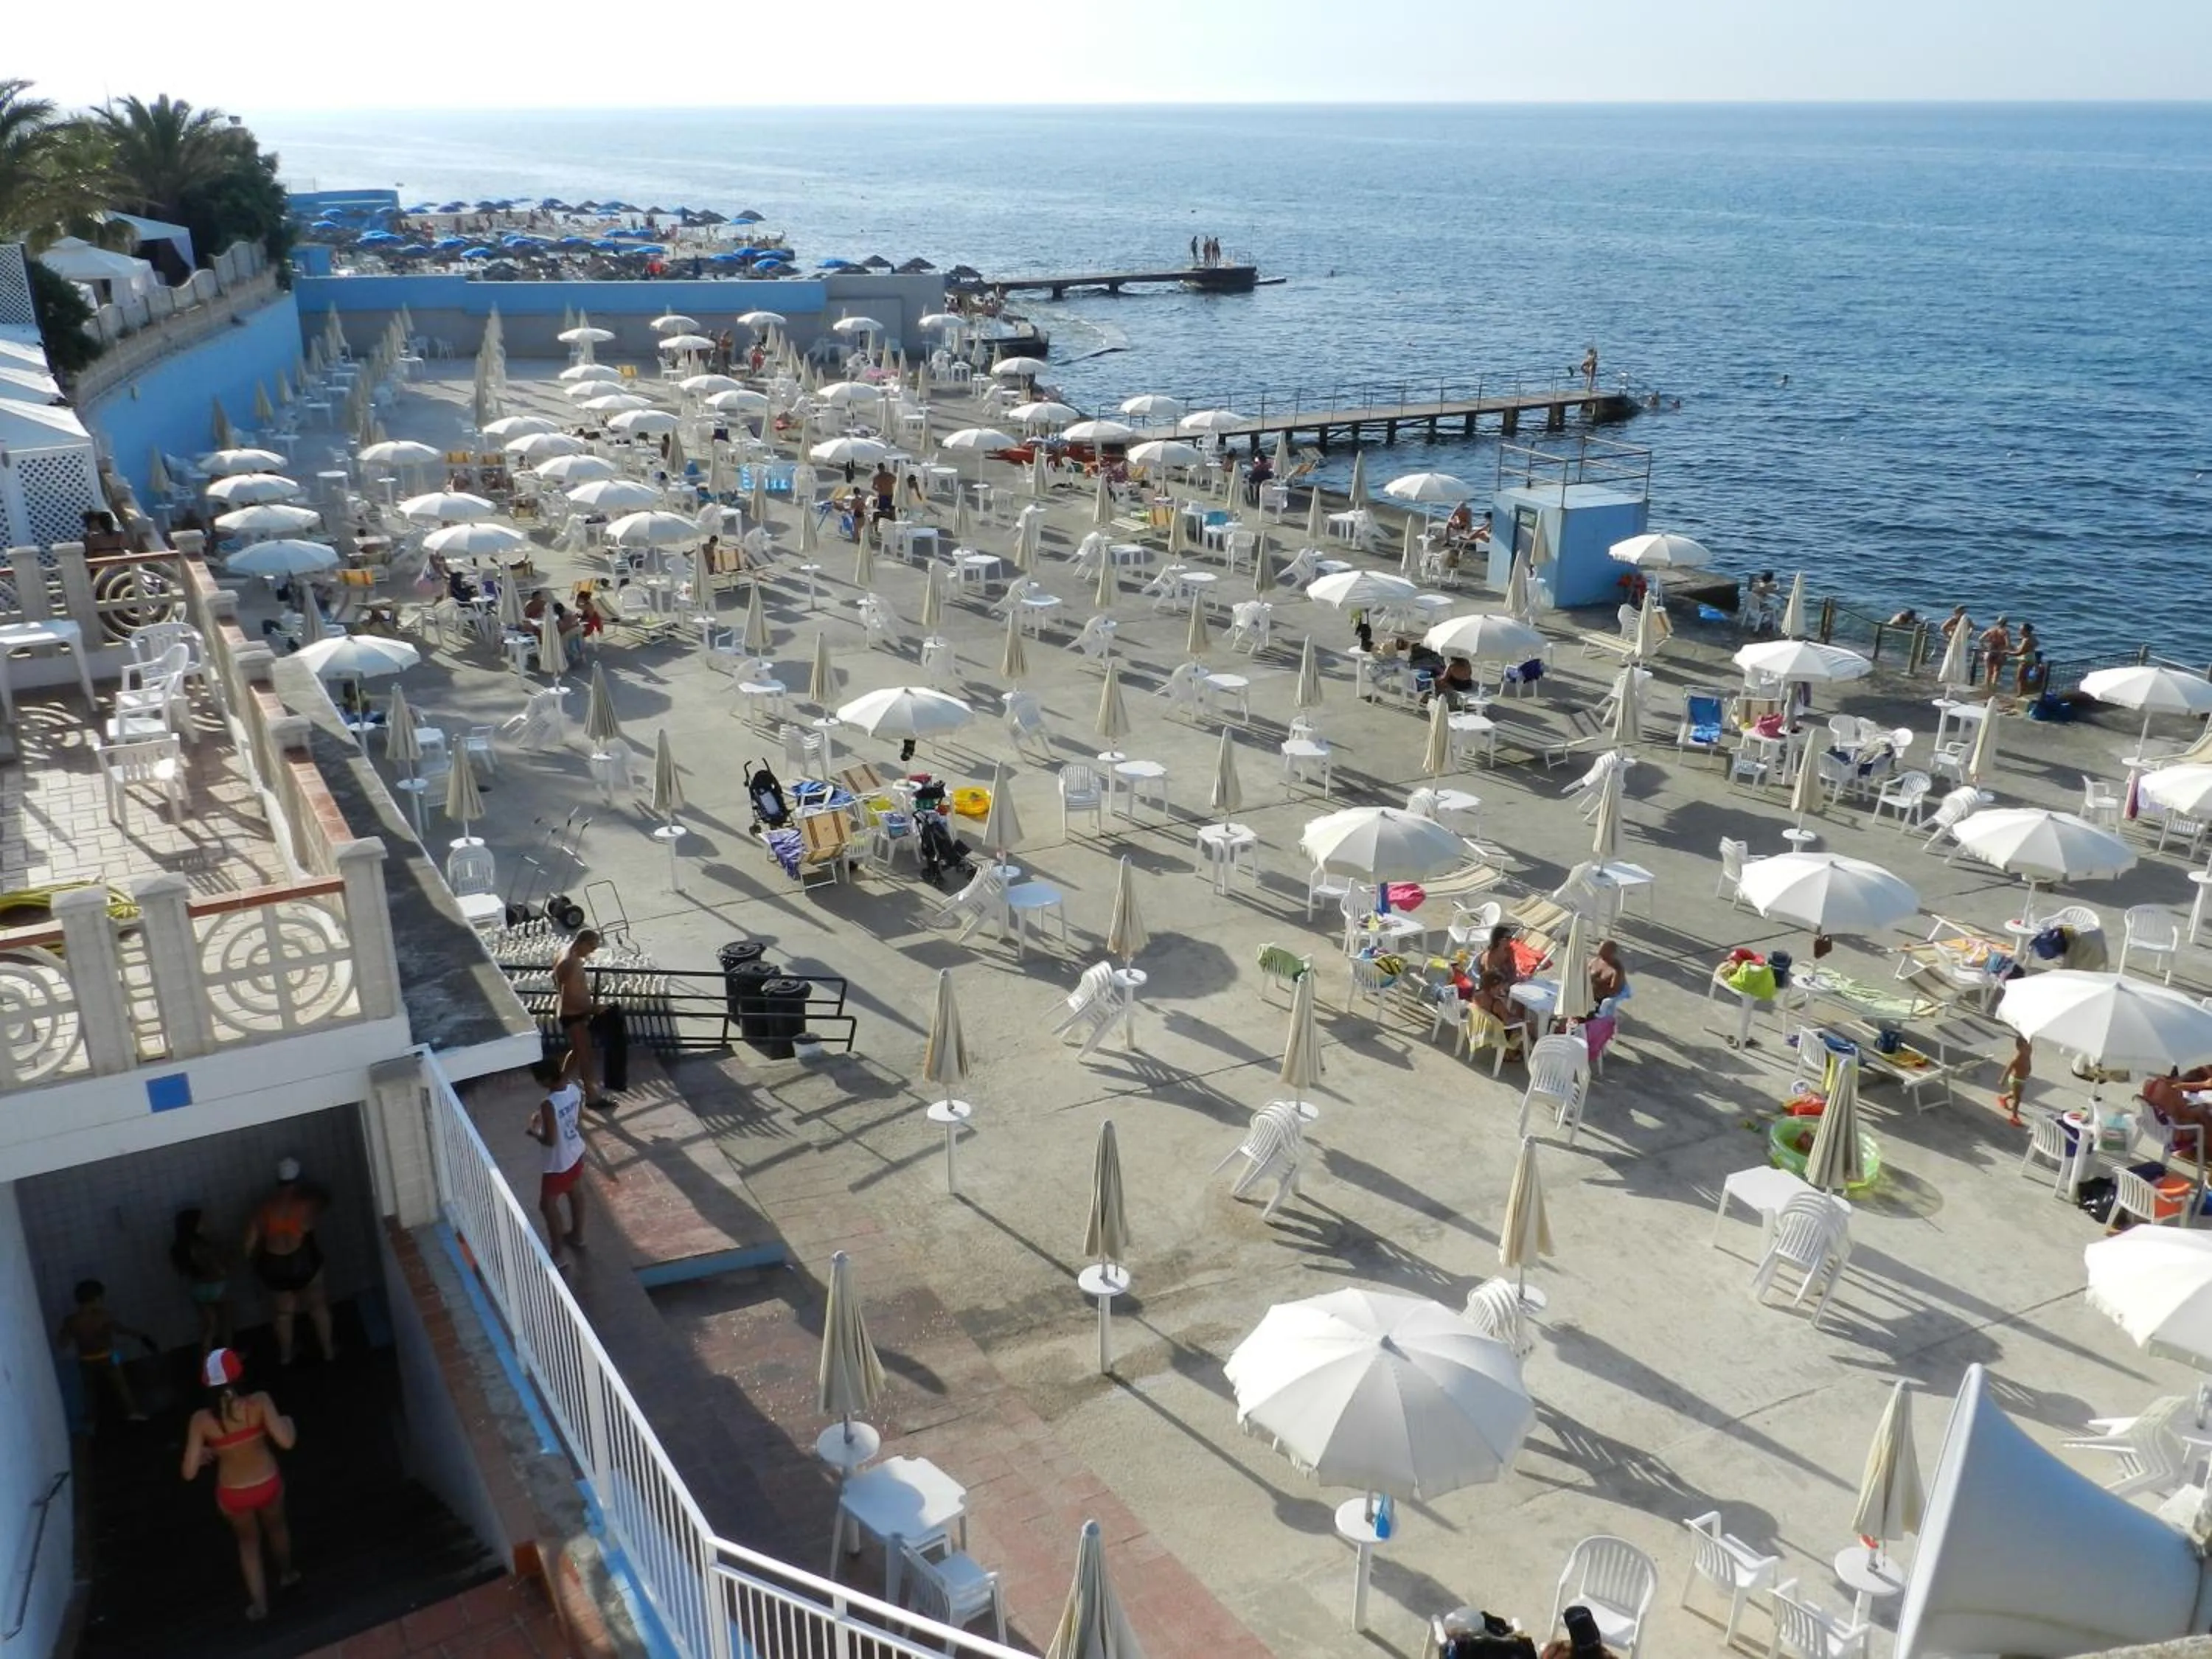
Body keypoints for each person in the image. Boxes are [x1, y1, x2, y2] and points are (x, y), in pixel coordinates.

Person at [181, 1349, 299, 1623]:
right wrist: (288, 1423)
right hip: (267, 1482)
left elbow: (188, 1473)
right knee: (277, 1528)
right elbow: (286, 1442)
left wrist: (201, 1456)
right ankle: (287, 1574)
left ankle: (259, 1606)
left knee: (248, 1543)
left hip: (234, 1493)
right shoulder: (259, 1402)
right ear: (239, 1374)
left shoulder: (201, 1420)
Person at [243, 1160, 335, 1366]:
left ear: (278, 1181)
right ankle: (329, 1352)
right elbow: (326, 1200)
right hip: (303, 1259)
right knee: (318, 1306)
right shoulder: (306, 1204)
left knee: (284, 1314)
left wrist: (256, 1266)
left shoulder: (264, 1209)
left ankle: (286, 1355)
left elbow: (248, 1244)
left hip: (274, 1265)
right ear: (299, 1180)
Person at [58, 1279, 153, 1423]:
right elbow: (120, 1329)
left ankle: (91, 1420)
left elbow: (62, 1343)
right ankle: (133, 1411)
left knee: (89, 1391)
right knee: (122, 1385)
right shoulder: (102, 1316)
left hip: (86, 1360)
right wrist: (139, 1334)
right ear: (96, 1299)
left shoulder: (71, 1320)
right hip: (110, 1356)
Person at [529, 1057, 590, 1266]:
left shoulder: (548, 1104)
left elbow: (550, 1140)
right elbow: (575, 1120)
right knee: (575, 1193)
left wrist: (534, 1132)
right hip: (576, 1152)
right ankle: (577, 1235)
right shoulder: (574, 1090)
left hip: (558, 1163)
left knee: (547, 1206)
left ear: (545, 1079)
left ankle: (558, 1255)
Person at [554, 929, 607, 1109]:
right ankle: (592, 1098)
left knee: (578, 1051)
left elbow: (558, 983)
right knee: (586, 1056)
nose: (592, 951)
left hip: (573, 1012)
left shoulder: (566, 953)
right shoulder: (570, 962)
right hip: (574, 1015)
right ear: (582, 942)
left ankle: (560, 1084)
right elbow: (567, 993)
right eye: (591, 947)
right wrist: (591, 1008)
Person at [171, 1208, 233, 1354]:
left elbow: (182, 1271)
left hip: (197, 1290)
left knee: (209, 1328)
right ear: (194, 1225)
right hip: (216, 1288)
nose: (205, 1223)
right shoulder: (203, 1246)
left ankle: (206, 1363)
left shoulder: (179, 1248)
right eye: (201, 1221)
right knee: (226, 1324)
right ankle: (228, 1359)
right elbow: (219, 1270)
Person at [1997, 1034, 2033, 1126]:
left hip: (2023, 1079)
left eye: (2028, 1045)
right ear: (2019, 1048)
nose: (2027, 1048)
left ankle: (2003, 1098)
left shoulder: (2029, 1050)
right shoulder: (2017, 1058)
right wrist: (2002, 1079)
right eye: (2025, 1047)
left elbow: (2031, 1041)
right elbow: (2008, 1068)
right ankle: (2014, 1117)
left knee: (2015, 1094)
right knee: (2017, 1099)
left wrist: (2031, 1035)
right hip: (2015, 1080)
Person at [1588, 939, 1628, 1015]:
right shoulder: (1597, 960)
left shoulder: (1617, 970)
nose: (1599, 953)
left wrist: (1596, 982)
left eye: (1603, 951)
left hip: (1597, 1000)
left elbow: (1614, 991)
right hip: (1586, 992)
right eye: (1600, 949)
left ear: (1612, 953)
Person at [1979, 616, 2012, 686]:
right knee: (1996, 671)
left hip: (1990, 652)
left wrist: (1984, 649)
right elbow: (2008, 644)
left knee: (1988, 671)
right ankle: (1993, 689)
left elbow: (1980, 639)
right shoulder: (2005, 632)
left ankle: (1986, 687)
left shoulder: (1991, 630)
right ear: (2006, 623)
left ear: (1997, 622)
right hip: (1999, 653)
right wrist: (2008, 651)